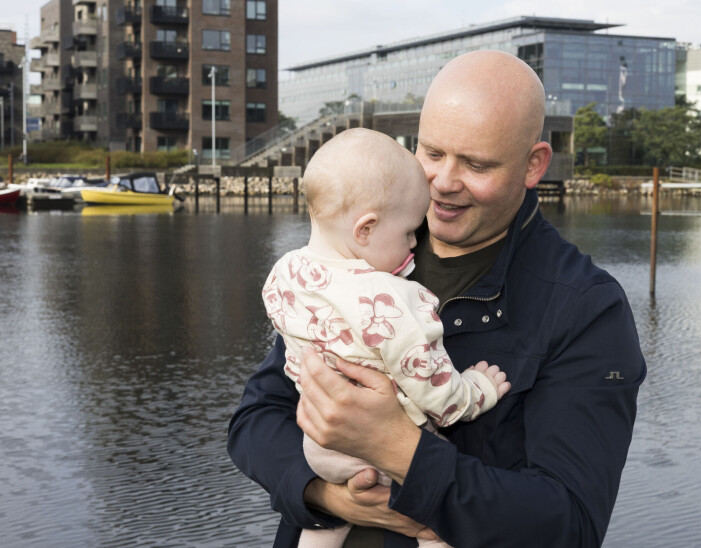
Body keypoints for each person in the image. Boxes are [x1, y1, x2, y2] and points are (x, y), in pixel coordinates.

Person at [228, 50, 646, 548]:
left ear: (534, 165)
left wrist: (400, 449)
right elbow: (255, 420)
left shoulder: (585, 308)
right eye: (431, 153)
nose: (443, 184)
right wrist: (328, 496)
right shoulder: (360, 257)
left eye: (476, 164)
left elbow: (569, 524)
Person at [260, 128, 510, 547]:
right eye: (409, 233)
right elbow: (435, 390)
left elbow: (293, 351)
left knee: (323, 526)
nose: (415, 244)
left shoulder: (285, 274)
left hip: (318, 445)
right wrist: (477, 391)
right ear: (366, 229)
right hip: (380, 448)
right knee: (437, 524)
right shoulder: (389, 299)